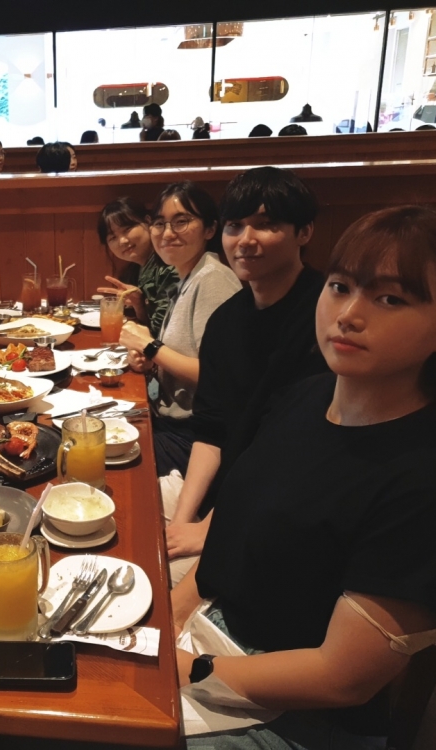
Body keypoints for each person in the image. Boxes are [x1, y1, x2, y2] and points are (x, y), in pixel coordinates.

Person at [174, 206, 436, 748]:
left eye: (390, 299)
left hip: (301, 713)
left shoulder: (435, 485)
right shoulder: (306, 397)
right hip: (219, 635)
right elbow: (230, 532)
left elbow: (341, 679)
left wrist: (184, 669)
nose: (348, 314)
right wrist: (168, 618)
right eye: (340, 287)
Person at [164, 167, 329, 569]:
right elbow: (211, 432)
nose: (245, 240)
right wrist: (183, 521)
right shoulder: (226, 321)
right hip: (227, 496)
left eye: (266, 225)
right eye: (235, 225)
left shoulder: (327, 318)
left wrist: (212, 528)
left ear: (304, 232)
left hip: (288, 510)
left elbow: (297, 453)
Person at [118, 183, 241, 479]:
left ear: (210, 229)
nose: (167, 233)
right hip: (170, 422)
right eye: (159, 223)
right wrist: (150, 361)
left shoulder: (213, 280)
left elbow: (219, 377)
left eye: (181, 221)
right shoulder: (188, 276)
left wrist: (150, 347)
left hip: (195, 438)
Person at [95, 196, 179, 336]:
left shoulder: (168, 267)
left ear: (148, 221)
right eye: (113, 237)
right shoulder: (137, 270)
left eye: (127, 229)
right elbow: (151, 331)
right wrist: (138, 305)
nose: (122, 241)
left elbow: (161, 334)